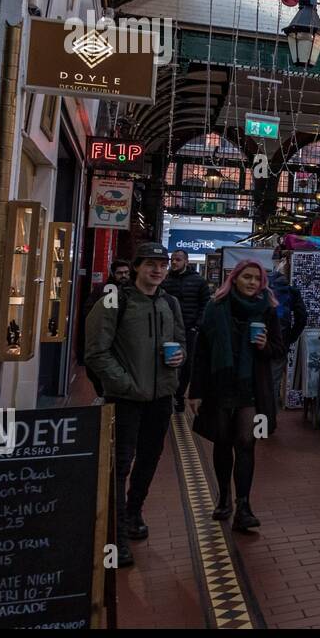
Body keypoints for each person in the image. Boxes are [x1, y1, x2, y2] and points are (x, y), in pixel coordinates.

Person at [84, 242, 186, 567]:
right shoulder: (116, 299)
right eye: (150, 264)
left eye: (163, 264)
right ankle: (116, 535)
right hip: (126, 399)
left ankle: (133, 512)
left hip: (160, 399)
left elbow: (181, 340)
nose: (157, 270)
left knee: (149, 460)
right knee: (120, 463)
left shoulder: (170, 302)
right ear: (138, 267)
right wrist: (125, 384)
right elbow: (96, 352)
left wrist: (180, 359)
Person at [189, 259, 283, 531]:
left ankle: (244, 505)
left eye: (257, 278)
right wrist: (195, 391)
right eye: (247, 277)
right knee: (222, 442)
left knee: (245, 443)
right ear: (235, 278)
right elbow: (202, 352)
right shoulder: (215, 307)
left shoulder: (267, 310)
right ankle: (224, 498)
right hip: (220, 385)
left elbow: (279, 349)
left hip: (251, 388)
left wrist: (265, 346)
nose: (253, 283)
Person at [162, 249, 211, 412]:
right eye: (172, 259)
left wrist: (197, 325)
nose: (174, 262)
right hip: (168, 329)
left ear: (186, 262)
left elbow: (205, 305)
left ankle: (179, 395)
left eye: (178, 260)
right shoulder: (165, 280)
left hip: (189, 329)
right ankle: (166, 393)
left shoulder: (198, 281)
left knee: (186, 364)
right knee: (167, 362)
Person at [267, 248, 307, 402]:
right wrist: (291, 337)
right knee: (274, 382)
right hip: (281, 341)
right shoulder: (291, 291)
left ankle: (256, 420)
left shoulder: (262, 289)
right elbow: (302, 318)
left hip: (259, 340)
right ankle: (268, 420)